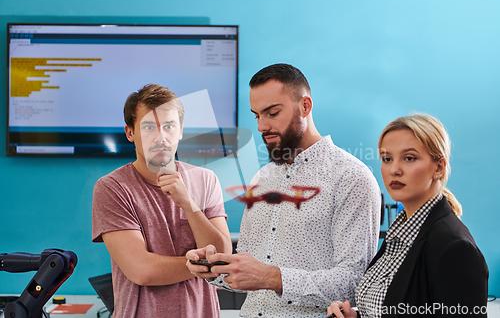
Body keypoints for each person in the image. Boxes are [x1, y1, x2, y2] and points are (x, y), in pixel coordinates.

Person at [187, 64, 381, 317]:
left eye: (272, 113)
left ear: (305, 106)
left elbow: (355, 283)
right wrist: (216, 269)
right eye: (257, 116)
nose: (261, 127)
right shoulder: (262, 179)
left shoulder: (352, 178)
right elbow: (252, 275)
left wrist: (272, 278)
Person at [327, 113, 489, 318]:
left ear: (438, 167)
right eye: (387, 159)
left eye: (409, 158)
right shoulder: (401, 232)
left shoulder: (455, 247)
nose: (394, 170)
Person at [92, 84, 232, 318]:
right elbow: (142, 270)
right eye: (148, 127)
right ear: (130, 133)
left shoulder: (205, 180)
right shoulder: (112, 187)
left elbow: (223, 256)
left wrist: (189, 204)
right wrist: (199, 266)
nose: (161, 137)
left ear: (180, 131)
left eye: (169, 126)